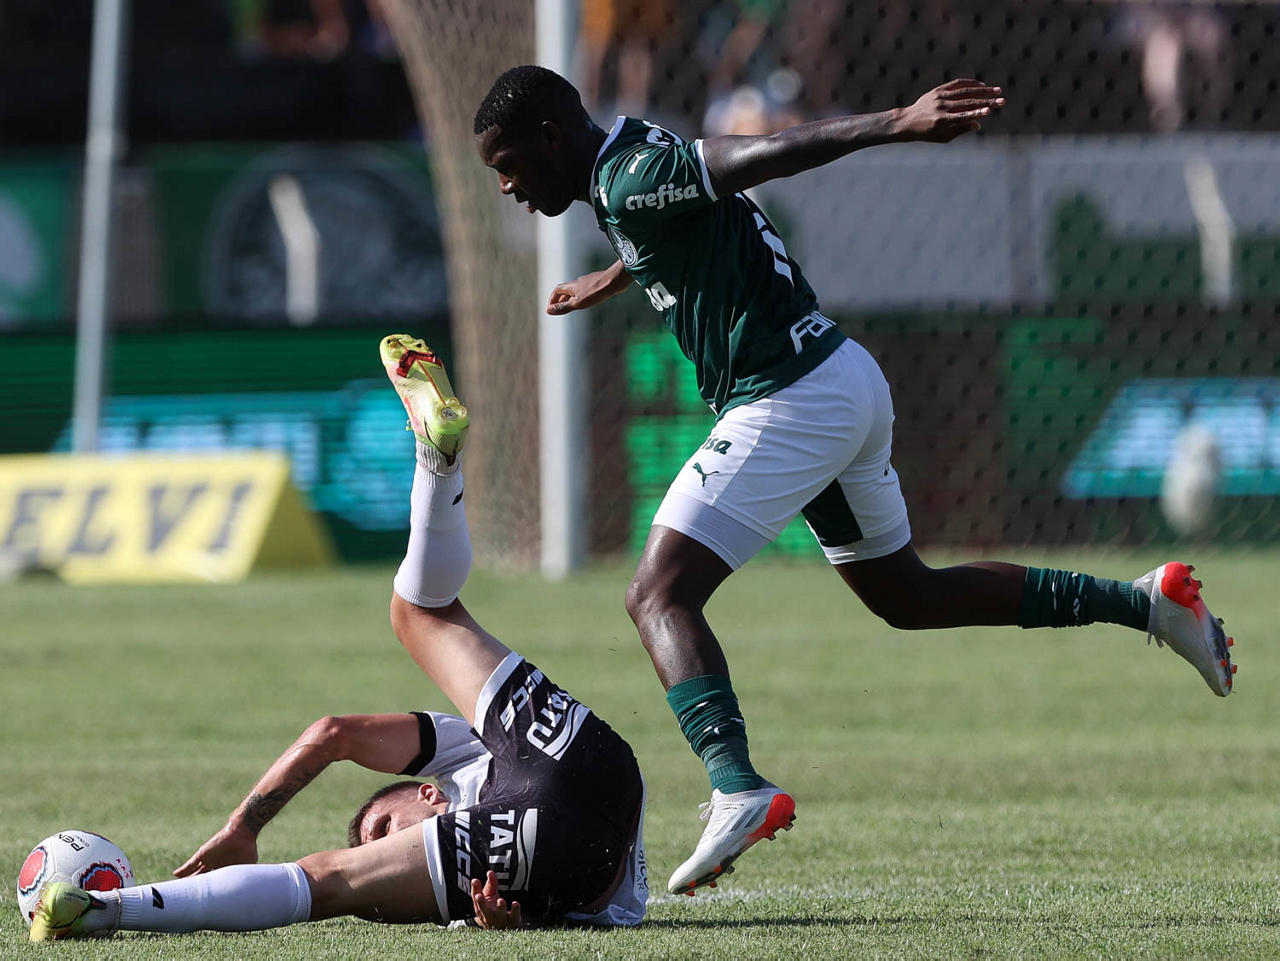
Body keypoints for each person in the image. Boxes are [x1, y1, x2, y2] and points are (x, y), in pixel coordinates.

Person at [470, 65, 1237, 897]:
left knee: (657, 592)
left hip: (790, 395)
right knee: (908, 596)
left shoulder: (632, 176)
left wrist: (896, 120)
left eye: (507, 165)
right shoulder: (626, 166)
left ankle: (736, 784)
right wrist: (616, 275)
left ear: (551, 138)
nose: (507, 185)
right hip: (839, 378)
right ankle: (1149, 603)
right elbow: (680, 212)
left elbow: (760, 154)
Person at [28, 334, 647, 941]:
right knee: (420, 613)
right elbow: (596, 896)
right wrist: (527, 916)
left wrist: (245, 826)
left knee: (328, 882)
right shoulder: (473, 773)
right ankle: (439, 463)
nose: (384, 848)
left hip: (564, 815)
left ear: (428, 793)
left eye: (384, 829)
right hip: (600, 763)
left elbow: (335, 734)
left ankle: (104, 910)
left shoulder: (461, 768)